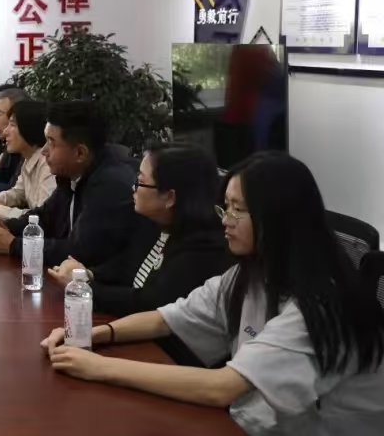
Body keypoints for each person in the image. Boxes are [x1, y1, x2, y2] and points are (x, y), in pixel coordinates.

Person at [40, 153, 384, 434]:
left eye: (238, 209)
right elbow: (165, 318)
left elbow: (221, 387)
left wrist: (98, 367)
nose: (226, 220)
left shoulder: (321, 304)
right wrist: (92, 334)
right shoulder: (250, 274)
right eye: (225, 206)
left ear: (278, 218)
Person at [46, 143, 232, 317]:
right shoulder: (153, 221)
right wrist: (87, 274)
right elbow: (125, 265)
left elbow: (150, 303)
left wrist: (85, 287)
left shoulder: (203, 247)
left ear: (169, 197)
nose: (133, 188)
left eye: (140, 182)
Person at [0, 101, 136, 267]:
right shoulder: (70, 172)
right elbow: (46, 217)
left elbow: (79, 252)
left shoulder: (111, 186)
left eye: (51, 142)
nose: (44, 151)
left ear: (80, 153)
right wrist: (9, 227)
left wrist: (15, 245)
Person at [0, 100, 56, 222]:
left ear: (29, 128)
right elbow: (18, 193)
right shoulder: (29, 158)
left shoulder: (48, 164)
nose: (6, 131)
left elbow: (41, 218)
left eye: (12, 125)